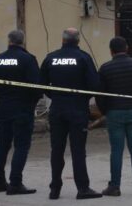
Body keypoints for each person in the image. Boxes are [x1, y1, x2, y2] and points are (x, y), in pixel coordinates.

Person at [39, 28, 102, 200]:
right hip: (77, 110)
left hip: (57, 109)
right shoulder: (83, 58)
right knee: (78, 150)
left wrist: (56, 96)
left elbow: (41, 83)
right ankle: (83, 189)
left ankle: (55, 189)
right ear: (78, 41)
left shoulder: (51, 57)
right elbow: (95, 84)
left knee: (56, 150)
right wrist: (82, 97)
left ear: (63, 40)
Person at [96, 37, 132, 197]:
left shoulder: (105, 68)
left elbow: (100, 94)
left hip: (114, 112)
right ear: (126, 48)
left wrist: (104, 111)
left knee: (116, 150)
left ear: (111, 50)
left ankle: (114, 186)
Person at [0, 30, 41, 195]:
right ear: (22, 42)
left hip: (3, 108)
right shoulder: (28, 59)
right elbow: (36, 87)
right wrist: (32, 103)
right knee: (21, 146)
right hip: (22, 109)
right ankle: (15, 183)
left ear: (9, 41)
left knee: (2, 145)